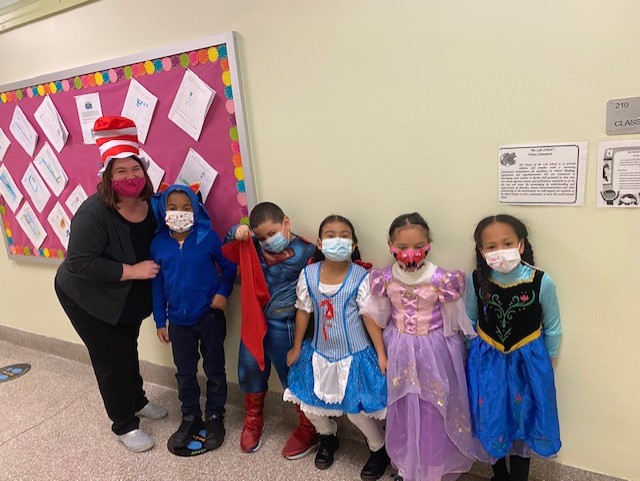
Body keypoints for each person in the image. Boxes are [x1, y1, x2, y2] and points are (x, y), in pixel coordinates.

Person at [54, 116, 167, 452]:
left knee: (128, 346)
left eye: (135, 169)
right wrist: (132, 271)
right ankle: (124, 424)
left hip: (126, 295)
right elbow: (79, 262)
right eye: (120, 171)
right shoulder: (94, 214)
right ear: (108, 176)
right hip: (86, 295)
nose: (129, 177)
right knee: (111, 358)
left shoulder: (152, 205)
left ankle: (137, 400)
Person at [366, 213, 483, 481]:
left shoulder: (442, 279)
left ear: (429, 243)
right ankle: (407, 467)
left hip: (435, 351)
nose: (411, 252)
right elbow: (376, 316)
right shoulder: (385, 278)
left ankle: (433, 469)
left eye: (418, 246)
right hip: (399, 349)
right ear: (391, 246)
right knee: (403, 407)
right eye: (403, 247)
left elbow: (455, 323)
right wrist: (381, 353)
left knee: (433, 409)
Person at [284, 215, 390, 481]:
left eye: (344, 236)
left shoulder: (361, 277)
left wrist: (381, 353)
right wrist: (296, 347)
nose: (337, 241)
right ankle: (328, 436)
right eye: (330, 235)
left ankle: (379, 448)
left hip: (354, 355)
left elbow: (369, 317)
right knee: (310, 407)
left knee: (356, 412)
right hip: (319, 353)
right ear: (320, 243)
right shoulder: (308, 275)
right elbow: (303, 312)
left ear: (353, 245)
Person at [466, 214, 562, 481]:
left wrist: (546, 365)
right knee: (492, 416)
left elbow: (553, 328)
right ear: (482, 251)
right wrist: (472, 358)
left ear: (520, 244)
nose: (500, 251)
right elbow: (469, 320)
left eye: (507, 243)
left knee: (524, 418)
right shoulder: (476, 281)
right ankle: (499, 474)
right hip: (488, 364)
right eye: (491, 246)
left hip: (527, 365)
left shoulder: (541, 282)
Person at [225, 202, 318, 458]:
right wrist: (235, 232)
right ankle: (253, 420)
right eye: (262, 236)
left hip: (287, 325)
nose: (268, 241)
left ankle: (309, 427)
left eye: (272, 233)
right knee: (249, 370)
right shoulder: (252, 246)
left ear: (286, 222)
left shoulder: (307, 250)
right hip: (254, 322)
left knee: (294, 376)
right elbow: (228, 249)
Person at [150, 184, 237, 452]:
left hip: (209, 317)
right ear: (164, 211)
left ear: (196, 210)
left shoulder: (207, 237)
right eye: (173, 208)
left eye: (186, 208)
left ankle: (215, 415)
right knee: (185, 373)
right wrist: (160, 320)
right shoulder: (158, 244)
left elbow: (228, 267)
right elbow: (157, 285)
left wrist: (223, 292)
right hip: (178, 322)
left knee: (215, 369)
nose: (179, 213)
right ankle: (190, 415)